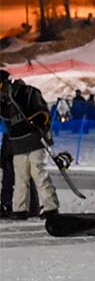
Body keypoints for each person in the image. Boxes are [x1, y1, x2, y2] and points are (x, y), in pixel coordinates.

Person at [0, 70, 60, 220]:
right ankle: (19, 209)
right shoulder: (4, 103)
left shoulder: (27, 93)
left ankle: (50, 207)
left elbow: (43, 113)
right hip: (18, 143)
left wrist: (39, 122)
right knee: (20, 178)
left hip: (35, 140)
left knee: (39, 174)